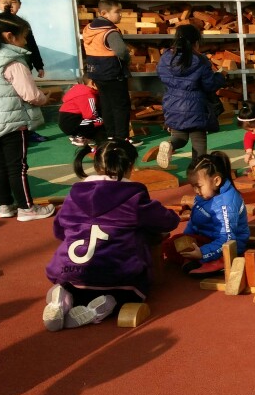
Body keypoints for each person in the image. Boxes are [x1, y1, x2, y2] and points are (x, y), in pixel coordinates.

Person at [43, 140, 179, 330]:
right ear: (130, 166)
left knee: (69, 284)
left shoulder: (74, 195)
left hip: (70, 273)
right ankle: (99, 308)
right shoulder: (133, 197)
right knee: (132, 293)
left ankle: (61, 297)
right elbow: (167, 221)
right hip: (115, 275)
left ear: (96, 165)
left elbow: (59, 230)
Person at [0, 13, 54, 222]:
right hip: (12, 121)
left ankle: (5, 205)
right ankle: (26, 208)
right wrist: (43, 98)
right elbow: (30, 94)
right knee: (17, 167)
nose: (26, 41)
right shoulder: (13, 61)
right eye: (25, 36)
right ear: (10, 36)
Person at [162, 152, 250, 275]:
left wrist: (202, 253)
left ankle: (217, 261)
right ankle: (193, 260)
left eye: (198, 186)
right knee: (169, 245)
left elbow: (228, 239)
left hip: (228, 244)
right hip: (207, 238)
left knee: (172, 246)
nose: (196, 190)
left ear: (216, 181)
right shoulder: (204, 196)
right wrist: (186, 239)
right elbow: (193, 223)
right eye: (193, 186)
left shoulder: (225, 204)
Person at [156, 24, 224, 168]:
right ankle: (197, 169)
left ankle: (170, 145)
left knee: (179, 136)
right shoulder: (200, 60)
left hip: (172, 103)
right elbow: (209, 85)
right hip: (196, 105)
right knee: (199, 141)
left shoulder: (166, 57)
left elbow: (161, 76)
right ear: (196, 42)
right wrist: (221, 76)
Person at [0, 0, 48, 142]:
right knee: (9, 102)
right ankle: (10, 134)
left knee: (27, 100)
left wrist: (39, 65)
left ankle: (29, 132)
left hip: (24, 68)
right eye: (5, 2)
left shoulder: (23, 25)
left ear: (19, 4)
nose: (9, 6)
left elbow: (32, 46)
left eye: (13, 2)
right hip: (4, 73)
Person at [81, 0, 134, 143]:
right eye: (117, 11)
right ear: (104, 13)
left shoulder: (89, 29)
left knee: (106, 104)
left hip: (96, 73)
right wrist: (128, 59)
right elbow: (121, 51)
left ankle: (110, 135)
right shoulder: (110, 32)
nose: (120, 15)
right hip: (113, 73)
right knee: (121, 106)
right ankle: (122, 138)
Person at [58, 74, 104, 147]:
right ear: (93, 83)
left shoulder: (80, 90)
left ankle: (77, 134)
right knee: (102, 120)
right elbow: (90, 116)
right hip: (72, 123)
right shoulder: (88, 94)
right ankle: (81, 137)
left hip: (66, 122)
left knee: (98, 120)